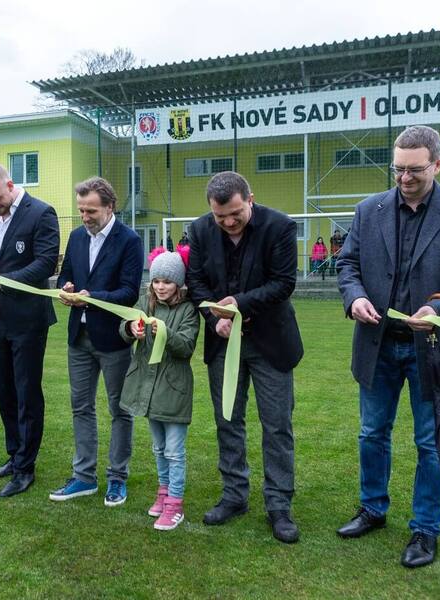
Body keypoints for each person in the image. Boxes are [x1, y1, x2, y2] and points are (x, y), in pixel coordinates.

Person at [336, 125, 440, 568]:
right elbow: (347, 264)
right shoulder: (369, 210)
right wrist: (355, 297)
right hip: (378, 344)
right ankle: (372, 508)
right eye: (398, 169)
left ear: (437, 164)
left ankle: (425, 529)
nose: (404, 178)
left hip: (435, 349)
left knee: (429, 441)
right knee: (371, 433)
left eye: (414, 170)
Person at [187, 171, 303, 544]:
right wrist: (214, 318)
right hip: (223, 343)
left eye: (235, 213)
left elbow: (283, 283)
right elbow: (197, 283)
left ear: (250, 198)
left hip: (270, 341)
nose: (229, 222)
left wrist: (238, 306)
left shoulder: (280, 227)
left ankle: (278, 504)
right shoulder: (200, 230)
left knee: (277, 424)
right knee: (228, 421)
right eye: (220, 217)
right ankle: (234, 495)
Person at [50, 176, 143, 506]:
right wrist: (68, 289)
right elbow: (66, 276)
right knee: (81, 407)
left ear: (110, 207)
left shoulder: (129, 240)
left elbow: (129, 292)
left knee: (120, 410)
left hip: (114, 338)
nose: (85, 217)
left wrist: (92, 297)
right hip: (79, 337)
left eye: (91, 211)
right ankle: (84, 477)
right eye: (81, 211)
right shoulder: (76, 237)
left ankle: (117, 478)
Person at [0, 162, 59, 498]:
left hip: (28, 318)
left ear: (10, 184)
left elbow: (45, 263)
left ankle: (26, 467)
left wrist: (2, 281)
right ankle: (14, 455)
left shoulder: (41, 213)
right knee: (4, 390)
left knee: (26, 393)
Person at [119, 247, 199, 530]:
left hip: (173, 389)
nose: (161, 286)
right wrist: (132, 329)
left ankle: (175, 504)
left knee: (175, 451)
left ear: (178, 282)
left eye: (167, 281)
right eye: (156, 281)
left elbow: (186, 347)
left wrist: (162, 330)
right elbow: (124, 327)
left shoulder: (188, 309)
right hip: (148, 387)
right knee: (158, 447)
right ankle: (163, 493)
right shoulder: (145, 302)